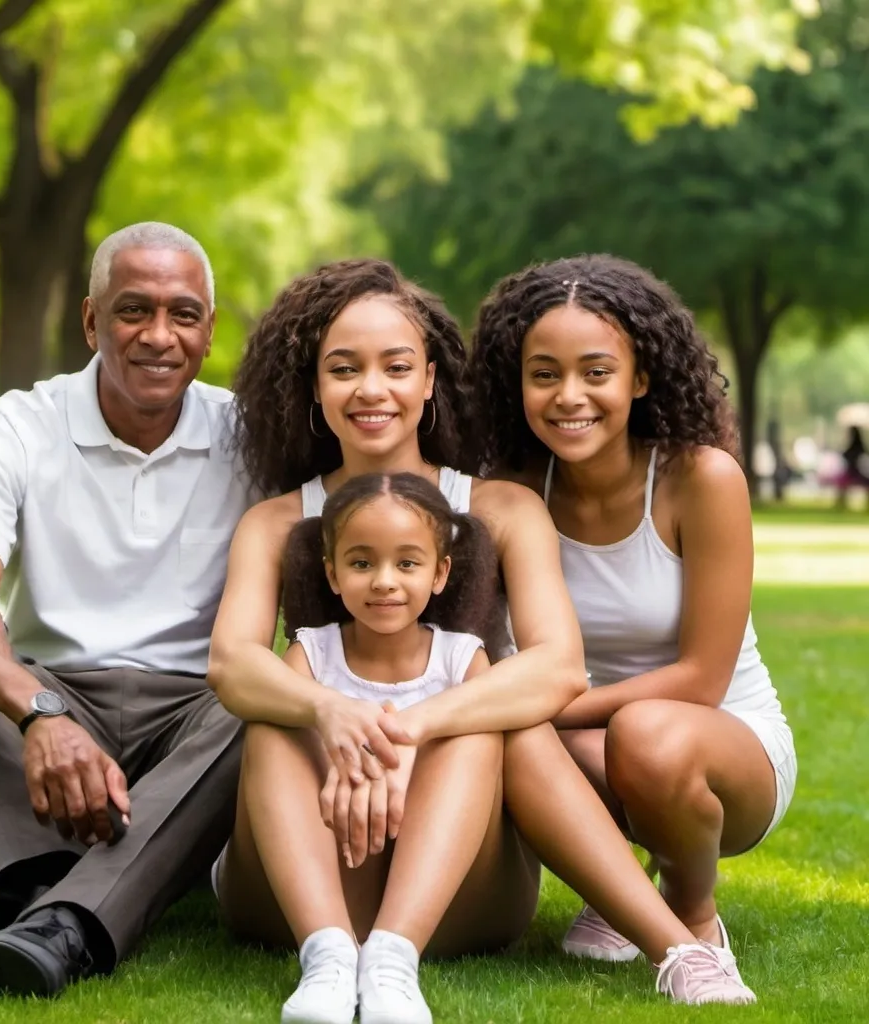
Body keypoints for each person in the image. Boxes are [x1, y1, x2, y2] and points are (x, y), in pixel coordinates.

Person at [207, 257, 757, 1024]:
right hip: (302, 872)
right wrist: (333, 716)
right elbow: (232, 663)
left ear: (430, 380)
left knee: (499, 717)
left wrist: (405, 726)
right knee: (275, 715)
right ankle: (328, 957)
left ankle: (677, 949)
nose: (372, 389)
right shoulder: (273, 523)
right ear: (313, 387)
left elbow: (558, 666)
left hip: (460, 877)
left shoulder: (500, 509)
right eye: (344, 369)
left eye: (396, 367)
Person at [0, 222, 257, 997]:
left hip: (197, 722)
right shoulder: (15, 427)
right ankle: (59, 896)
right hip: (54, 696)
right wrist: (38, 714)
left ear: (209, 331)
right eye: (134, 310)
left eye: (184, 314)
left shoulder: (251, 437)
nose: (159, 336)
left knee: (264, 698)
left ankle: (36, 909)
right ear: (91, 321)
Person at [470, 253, 797, 966]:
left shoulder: (700, 479)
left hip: (720, 744)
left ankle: (692, 914)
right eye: (544, 373)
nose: (568, 396)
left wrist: (543, 704)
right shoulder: (512, 490)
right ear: (515, 382)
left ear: (639, 378)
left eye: (596, 371)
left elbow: (701, 680)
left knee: (644, 734)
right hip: (582, 741)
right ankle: (617, 894)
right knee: (499, 736)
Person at [271, 470, 503, 1022]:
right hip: (334, 867)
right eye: (360, 563)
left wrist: (402, 751)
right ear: (331, 573)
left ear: (440, 573)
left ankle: (392, 960)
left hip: (437, 883)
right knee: (273, 720)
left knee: (475, 726)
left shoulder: (462, 659)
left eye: (406, 563)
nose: (383, 581)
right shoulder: (311, 654)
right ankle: (327, 955)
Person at [836, 425, 869, 509]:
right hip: (856, 473)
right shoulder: (860, 448)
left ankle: (840, 505)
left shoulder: (853, 449)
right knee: (841, 484)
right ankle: (840, 505)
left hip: (854, 473)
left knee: (841, 484)